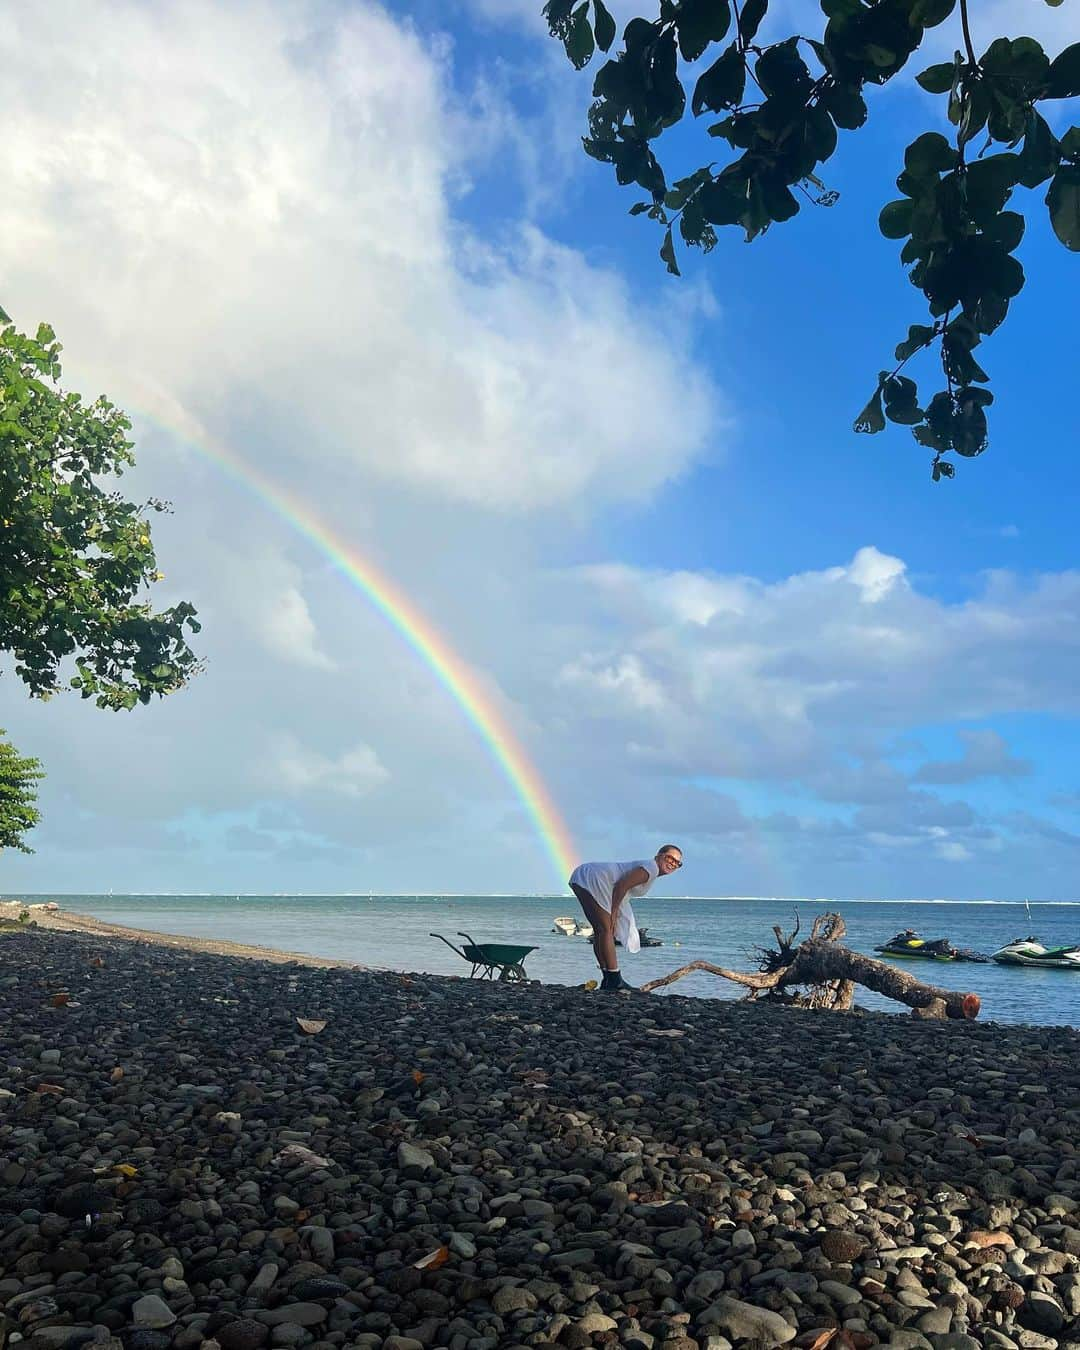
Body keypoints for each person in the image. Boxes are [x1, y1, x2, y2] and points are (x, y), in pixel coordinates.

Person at [568, 845, 683, 992]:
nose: (673, 863)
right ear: (658, 856)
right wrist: (614, 913)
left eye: (677, 862)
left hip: (582, 876)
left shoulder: (651, 871)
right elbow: (621, 886)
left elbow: (622, 888)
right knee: (606, 930)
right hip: (593, 877)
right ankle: (615, 980)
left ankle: (608, 979)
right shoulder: (651, 868)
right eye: (669, 858)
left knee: (600, 931)